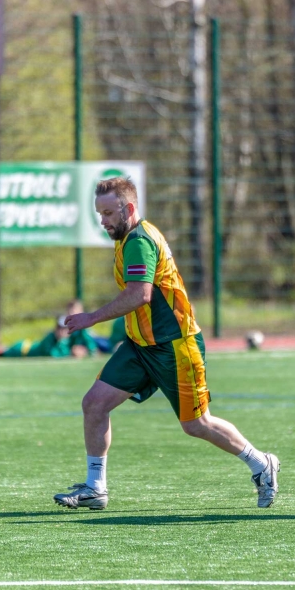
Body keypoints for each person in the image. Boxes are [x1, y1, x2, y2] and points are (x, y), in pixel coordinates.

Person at [54, 177, 279, 510]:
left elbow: (139, 295)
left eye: (107, 213)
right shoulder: (127, 236)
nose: (102, 221)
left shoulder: (139, 241)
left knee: (197, 425)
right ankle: (95, 487)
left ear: (128, 209)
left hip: (176, 347)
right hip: (141, 346)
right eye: (99, 213)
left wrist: (91, 318)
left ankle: (262, 464)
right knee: (95, 403)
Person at [2, 318, 72, 358]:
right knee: (2, 352)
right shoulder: (50, 337)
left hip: (25, 347)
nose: (62, 331)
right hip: (22, 349)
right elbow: (52, 354)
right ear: (56, 329)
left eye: (65, 329)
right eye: (60, 328)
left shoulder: (67, 341)